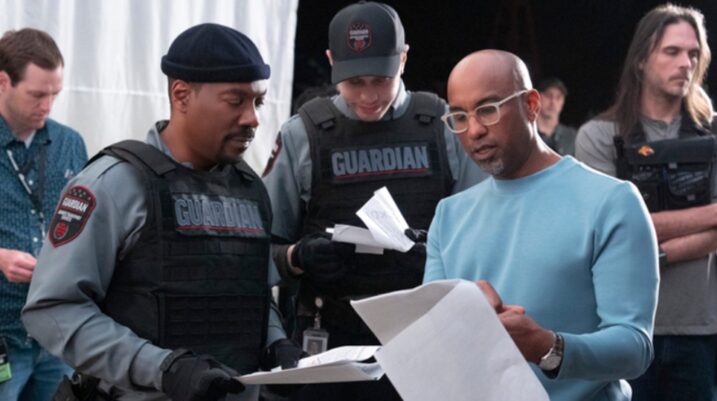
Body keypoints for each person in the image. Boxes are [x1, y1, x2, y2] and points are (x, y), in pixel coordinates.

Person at [21, 23, 302, 401]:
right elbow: (53, 309)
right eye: (236, 101)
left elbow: (250, 293)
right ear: (181, 95)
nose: (252, 118)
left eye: (258, 102)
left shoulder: (250, 189)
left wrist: (276, 343)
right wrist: (162, 368)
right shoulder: (115, 185)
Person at [261, 2, 485, 400]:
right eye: (354, 82)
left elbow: (485, 239)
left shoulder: (443, 128)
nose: (368, 96)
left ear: (404, 59)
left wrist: (438, 255)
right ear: (331, 62)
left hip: (425, 340)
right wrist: (297, 257)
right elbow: (256, 253)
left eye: (381, 80)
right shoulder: (303, 135)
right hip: (328, 342)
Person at [424, 49, 659, 401]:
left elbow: (634, 348)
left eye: (488, 110)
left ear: (532, 105)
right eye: (459, 116)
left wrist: (548, 347)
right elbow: (432, 339)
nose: (474, 130)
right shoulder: (448, 216)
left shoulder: (611, 202)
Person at [576, 5, 717, 401]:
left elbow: (631, 230)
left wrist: (655, 250)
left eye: (693, 54)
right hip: (623, 329)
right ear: (641, 59)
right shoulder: (599, 136)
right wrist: (711, 216)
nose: (685, 63)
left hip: (701, 330)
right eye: (672, 51)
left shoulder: (712, 133)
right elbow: (607, 231)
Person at [0, 28, 87, 401]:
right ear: (3, 82)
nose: (48, 105)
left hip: (56, 333)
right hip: (4, 333)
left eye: (55, 94)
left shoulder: (70, 143)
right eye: (37, 95)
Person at [536, 77, 577, 156]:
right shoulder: (526, 133)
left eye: (558, 97)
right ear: (538, 97)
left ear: (563, 101)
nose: (553, 102)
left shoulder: (572, 137)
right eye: (548, 96)